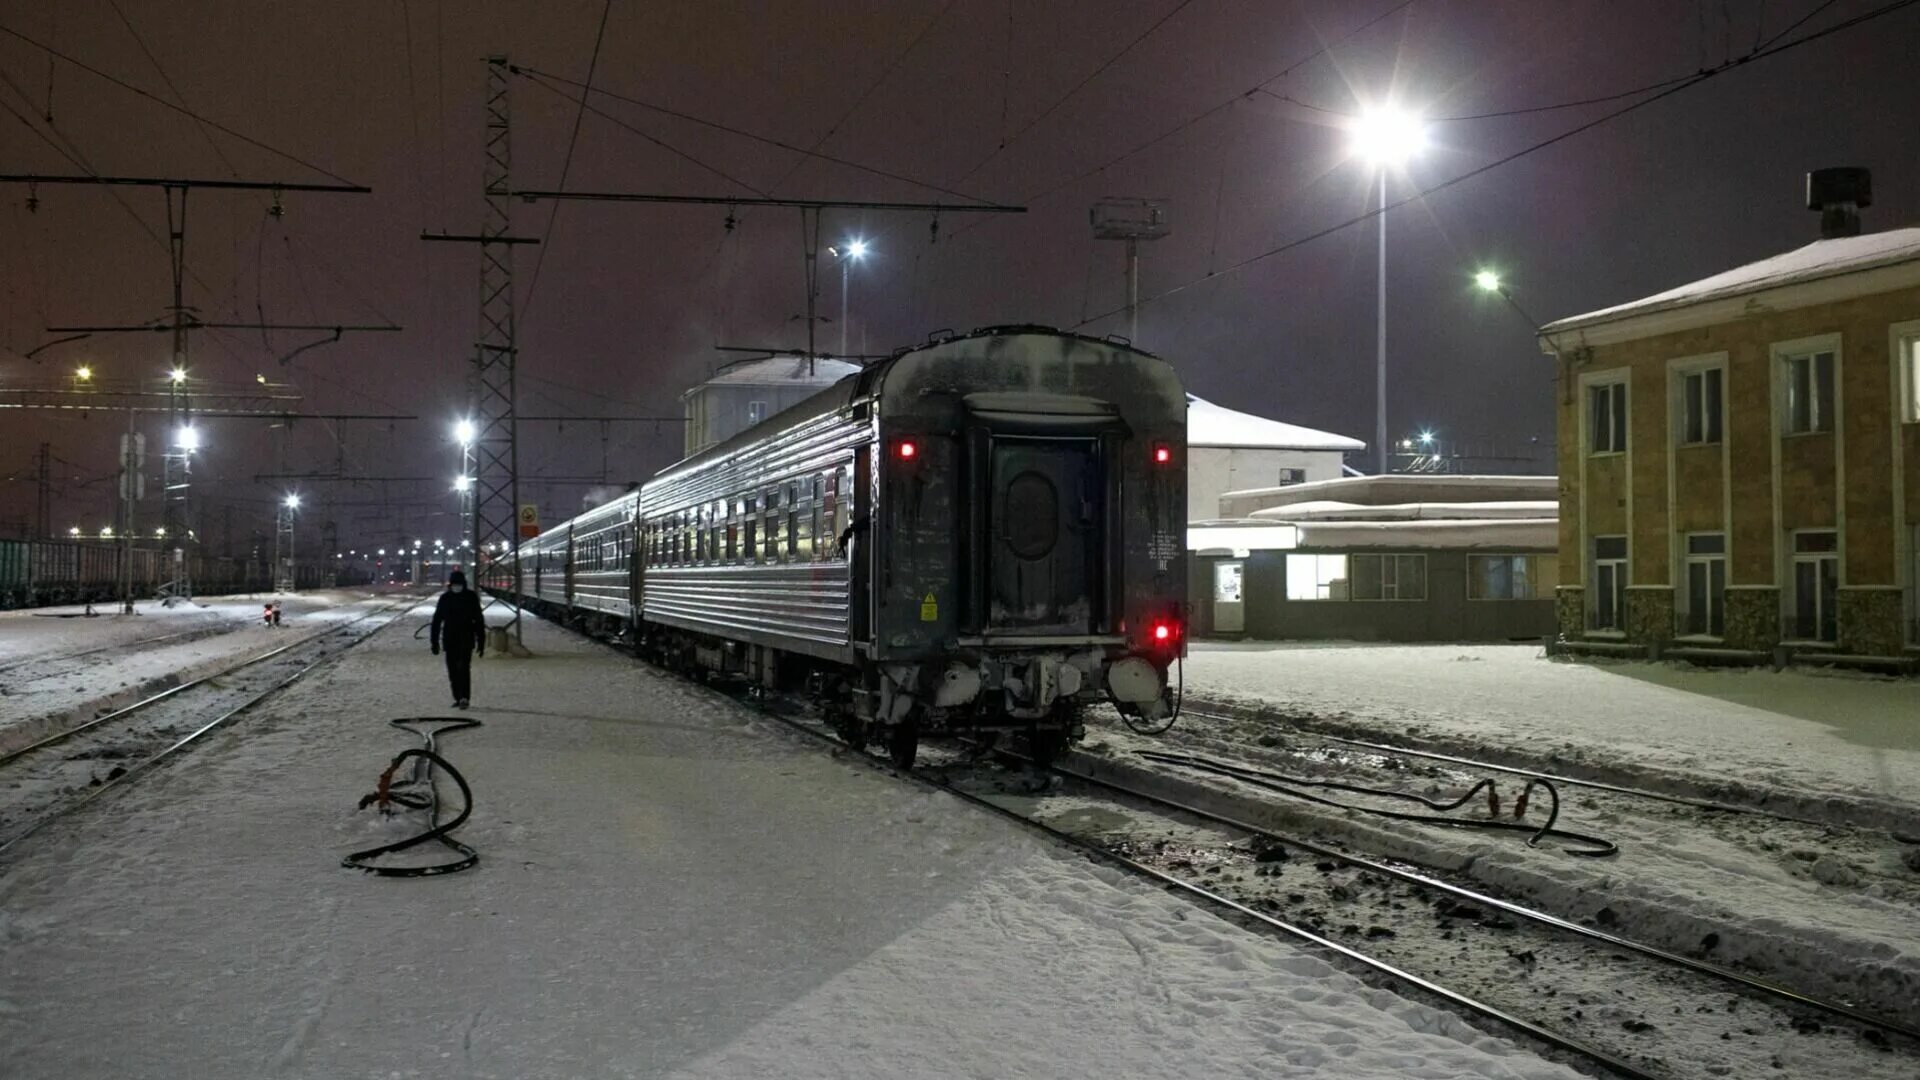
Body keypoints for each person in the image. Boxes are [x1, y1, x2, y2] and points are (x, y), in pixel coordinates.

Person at [430, 570, 486, 709]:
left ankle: (464, 697)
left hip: (466, 638)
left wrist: (481, 641)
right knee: (453, 670)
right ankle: (458, 696)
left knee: (464, 668)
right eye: (455, 584)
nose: (457, 586)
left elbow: (479, 620)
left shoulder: (470, 597)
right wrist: (434, 642)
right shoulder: (445, 598)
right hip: (450, 639)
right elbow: (436, 621)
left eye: (458, 584)